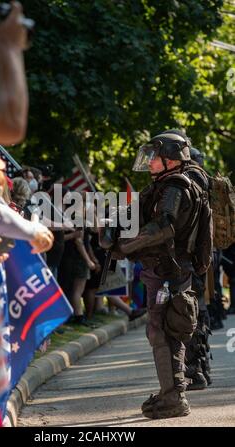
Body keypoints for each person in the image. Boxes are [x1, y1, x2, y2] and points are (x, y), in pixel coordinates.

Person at [100, 131, 211, 419]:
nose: (149, 163)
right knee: (166, 330)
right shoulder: (165, 183)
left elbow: (164, 226)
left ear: (170, 158)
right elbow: (139, 210)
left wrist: (126, 244)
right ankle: (172, 393)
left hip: (167, 270)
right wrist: (115, 223)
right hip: (167, 269)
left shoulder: (175, 186)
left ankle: (173, 397)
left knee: (162, 330)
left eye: (154, 157)